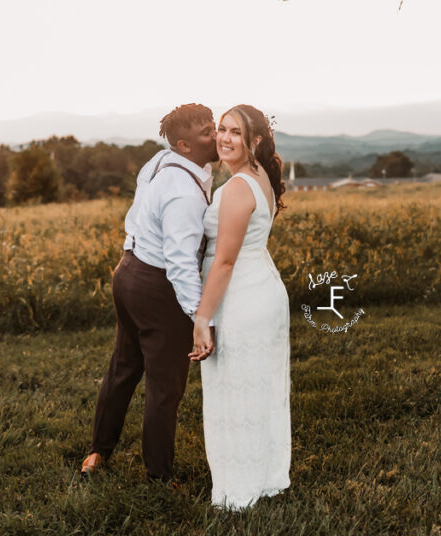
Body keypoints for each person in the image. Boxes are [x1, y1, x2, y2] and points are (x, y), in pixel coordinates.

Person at [81, 103, 218, 481]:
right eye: (208, 131)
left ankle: (98, 452)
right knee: (165, 385)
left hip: (128, 269)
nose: (217, 135)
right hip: (158, 286)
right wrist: (198, 317)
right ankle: (160, 475)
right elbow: (180, 262)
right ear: (184, 144)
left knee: (123, 367)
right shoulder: (184, 195)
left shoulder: (159, 161)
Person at [189, 104, 291, 510]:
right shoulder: (259, 177)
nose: (224, 138)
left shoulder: (235, 188)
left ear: (256, 141)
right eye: (221, 130)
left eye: (235, 132)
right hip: (262, 287)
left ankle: (238, 491)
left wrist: (202, 318)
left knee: (235, 389)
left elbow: (225, 261)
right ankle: (263, 477)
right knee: (259, 387)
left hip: (242, 298)